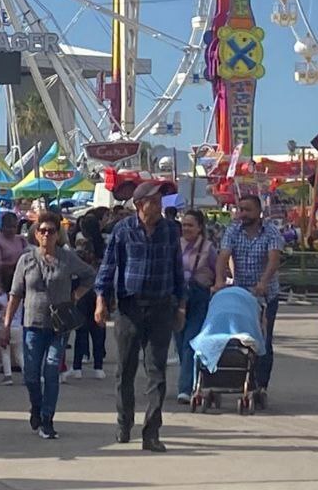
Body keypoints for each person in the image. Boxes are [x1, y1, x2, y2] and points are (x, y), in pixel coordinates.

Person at [94, 181, 185, 453]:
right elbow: (108, 268)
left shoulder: (170, 231)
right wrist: (101, 300)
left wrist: (181, 306)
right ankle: (124, 423)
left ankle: (151, 433)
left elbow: (177, 270)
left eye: (160, 202)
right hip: (129, 309)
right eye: (153, 202)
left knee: (157, 372)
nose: (158, 207)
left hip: (161, 308)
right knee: (125, 370)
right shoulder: (123, 231)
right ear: (139, 204)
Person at [1, 210, 95, 440]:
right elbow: (15, 294)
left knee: (52, 369)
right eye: (42, 230)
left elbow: (89, 274)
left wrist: (76, 295)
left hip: (58, 324)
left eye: (51, 231)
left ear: (57, 234)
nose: (46, 235)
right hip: (32, 323)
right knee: (31, 375)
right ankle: (36, 406)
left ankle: (47, 418)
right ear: (35, 233)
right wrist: (6, 324)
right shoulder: (26, 259)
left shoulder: (67, 257)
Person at [214, 195, 283, 400]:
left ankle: (261, 385)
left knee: (263, 339)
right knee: (238, 339)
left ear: (259, 212)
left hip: (265, 295)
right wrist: (219, 280)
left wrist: (263, 282)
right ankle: (240, 379)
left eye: (247, 210)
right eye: (240, 209)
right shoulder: (233, 230)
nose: (242, 214)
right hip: (239, 294)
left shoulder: (270, 232)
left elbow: (273, 259)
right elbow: (223, 255)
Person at [175, 208, 216, 403]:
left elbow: (218, 272)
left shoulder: (208, 248)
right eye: (183, 225)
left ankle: (186, 388)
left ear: (200, 227)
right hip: (177, 296)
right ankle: (190, 378)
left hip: (199, 295)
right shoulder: (176, 245)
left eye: (190, 225)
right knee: (179, 339)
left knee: (190, 341)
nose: (186, 229)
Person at [70, 210, 107, 381]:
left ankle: (78, 365)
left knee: (81, 328)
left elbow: (77, 267)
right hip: (100, 289)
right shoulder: (103, 243)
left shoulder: (81, 245)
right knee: (99, 328)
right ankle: (98, 366)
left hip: (83, 289)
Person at [0, 211, 29, 286]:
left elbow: (30, 257)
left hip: (22, 282)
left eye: (14, 227)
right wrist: (18, 264)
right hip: (4, 283)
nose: (11, 230)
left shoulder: (21, 239)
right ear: (2, 226)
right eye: (8, 227)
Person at [0, 272, 23, 384]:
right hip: (18, 327)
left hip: (5, 327)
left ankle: (8, 376)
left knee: (5, 352)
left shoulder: (1, 299)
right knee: (19, 354)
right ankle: (27, 373)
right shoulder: (20, 299)